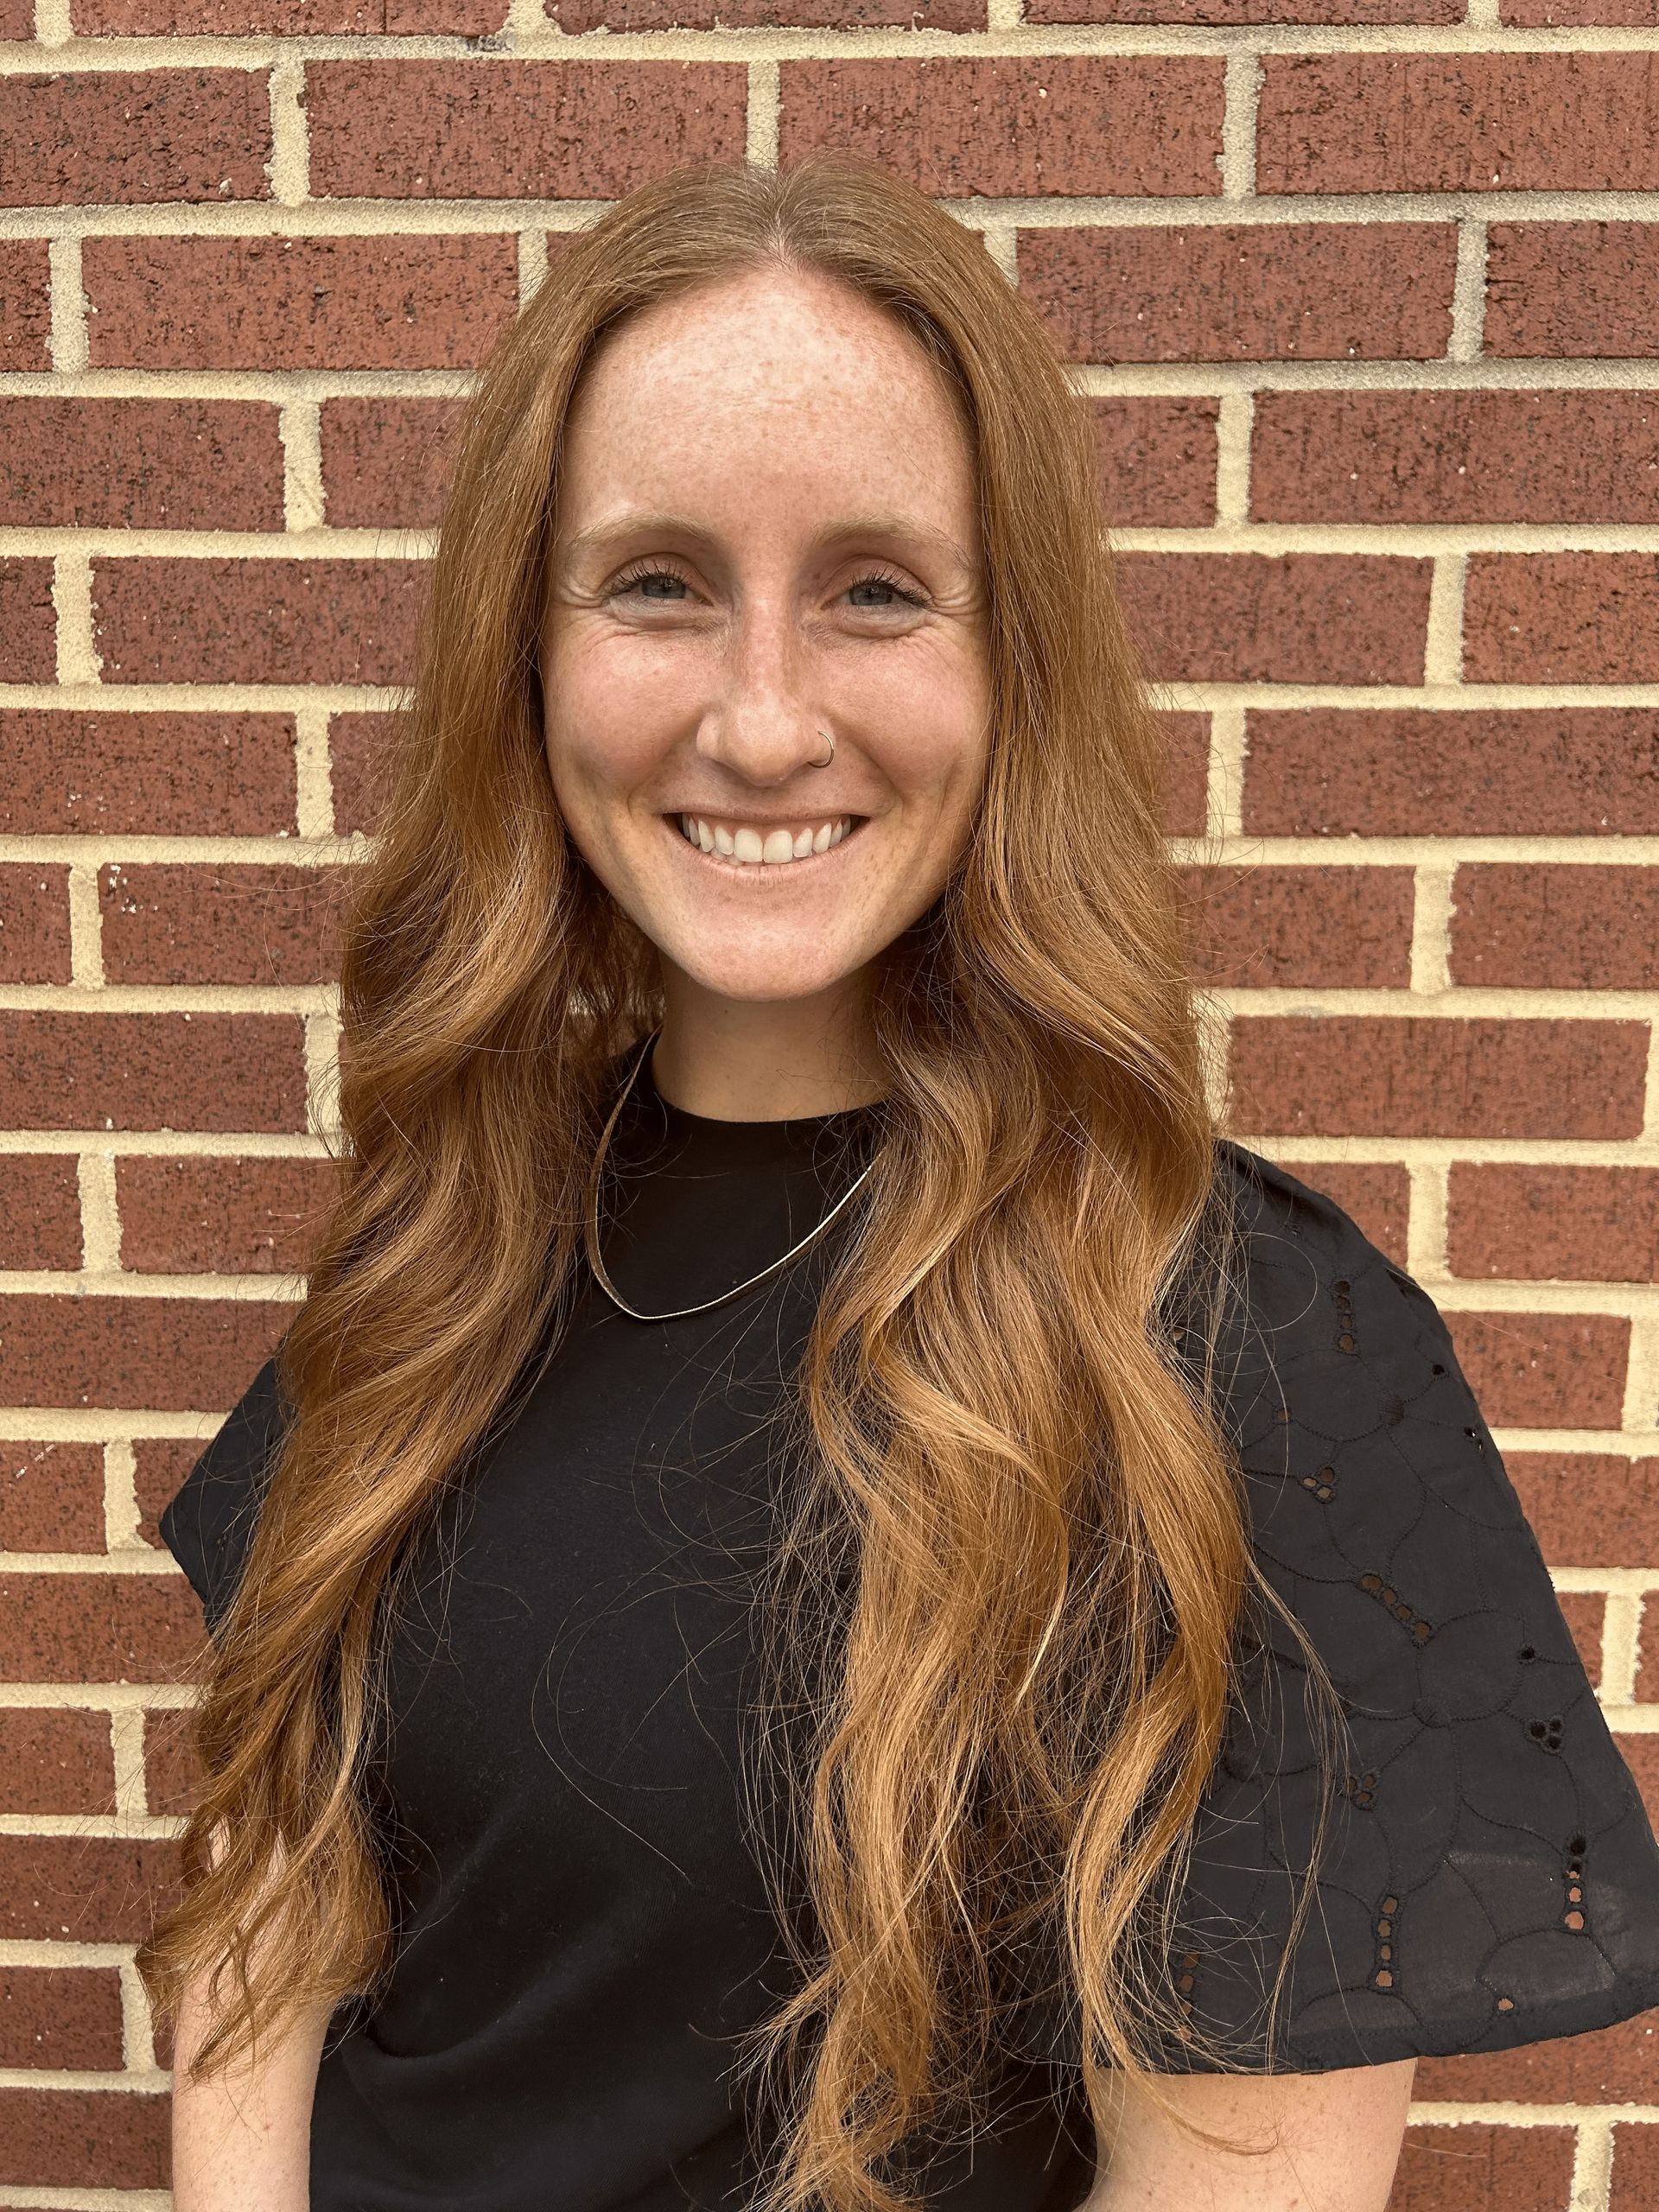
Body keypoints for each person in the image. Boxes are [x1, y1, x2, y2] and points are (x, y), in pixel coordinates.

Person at [143, 152, 1659, 2212]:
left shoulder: (1248, 1343)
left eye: (876, 586)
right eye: (658, 580)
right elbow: (273, 1898)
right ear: (533, 649)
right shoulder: (453, 1232)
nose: (763, 720)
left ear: (1006, 657)